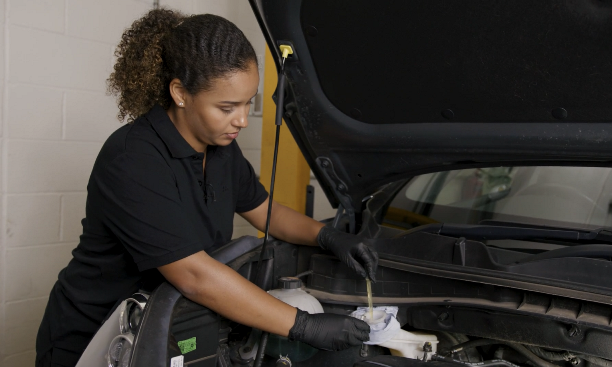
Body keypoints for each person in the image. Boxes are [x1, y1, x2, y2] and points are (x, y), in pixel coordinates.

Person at [35, 8, 378, 367]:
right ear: (181, 93)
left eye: (249, 103)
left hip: (170, 327)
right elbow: (193, 275)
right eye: (227, 107)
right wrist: (301, 325)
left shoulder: (221, 150)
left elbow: (265, 211)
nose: (243, 120)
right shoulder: (132, 159)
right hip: (101, 339)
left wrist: (328, 236)